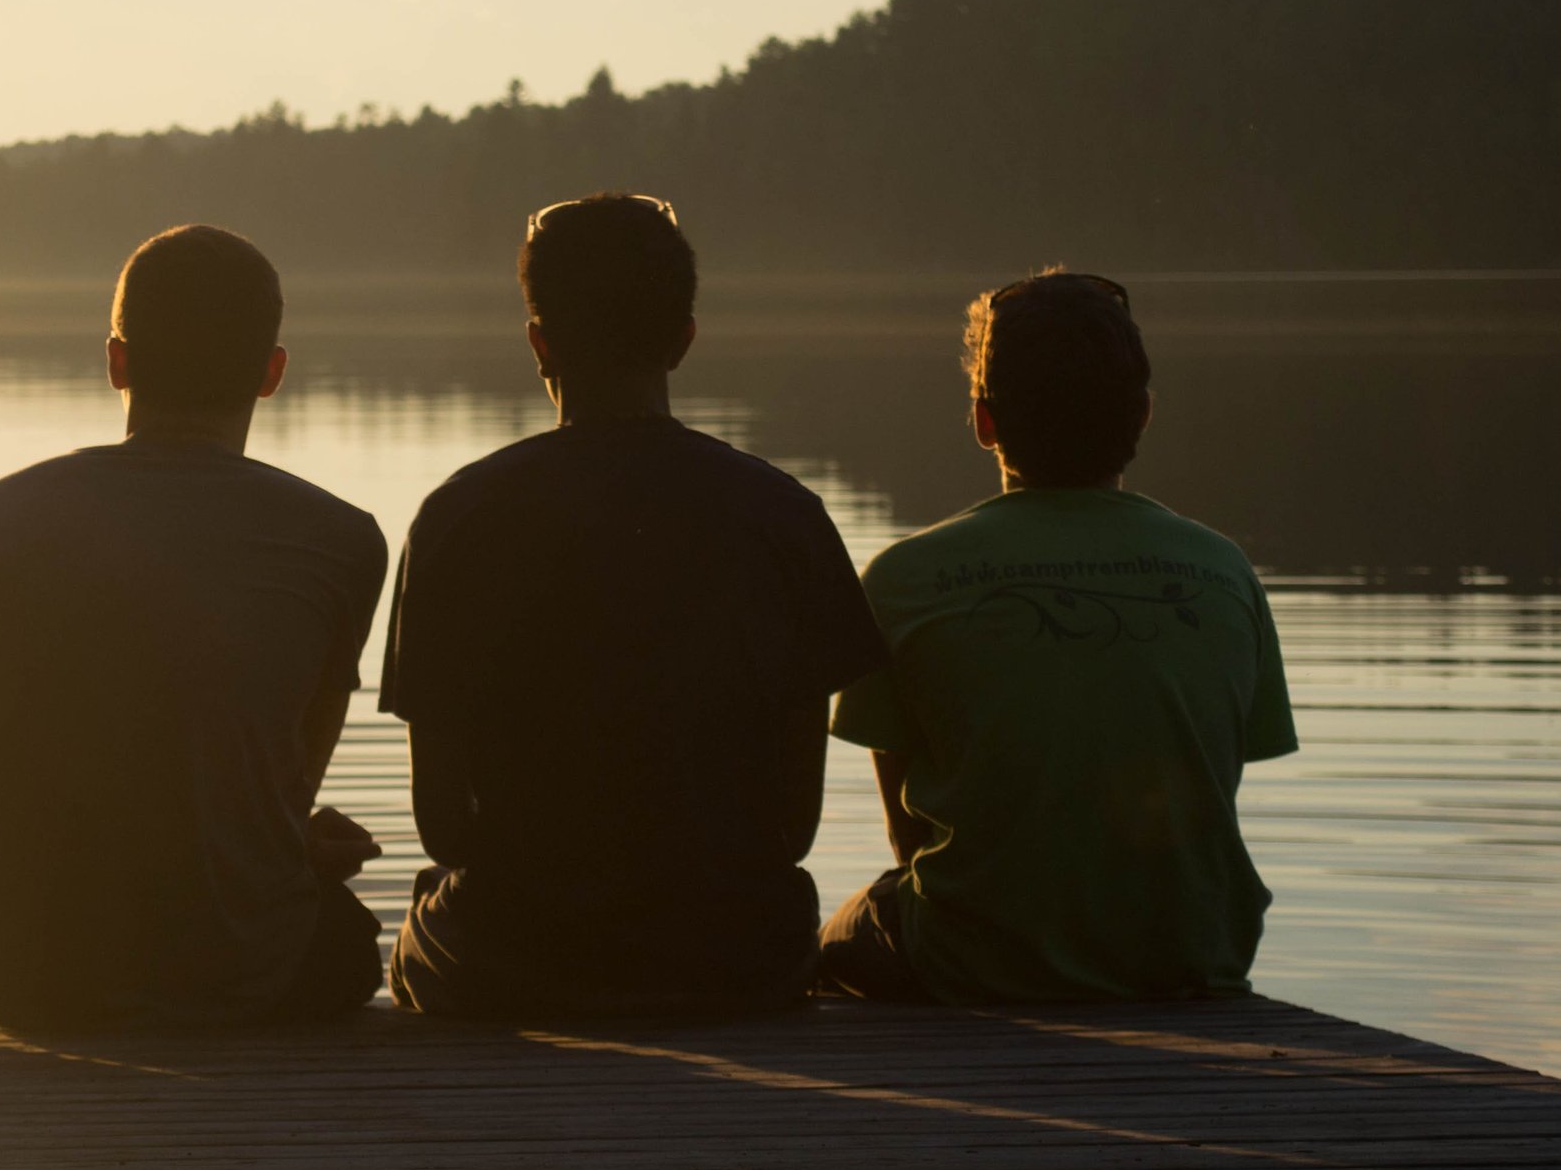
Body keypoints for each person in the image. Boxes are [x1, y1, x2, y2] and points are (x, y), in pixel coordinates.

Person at [382, 194, 887, 1018]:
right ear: (684, 340)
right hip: (735, 959)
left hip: (517, 959)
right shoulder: (784, 513)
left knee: (428, 910)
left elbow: (443, 827)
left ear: (538, 343)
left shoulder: (458, 516)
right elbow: (791, 826)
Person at [0, 225, 388, 1033]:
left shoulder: (3, 516)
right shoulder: (341, 538)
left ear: (115, 360)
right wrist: (276, 843)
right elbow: (291, 786)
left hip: (32, 977)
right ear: (271, 374)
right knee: (349, 941)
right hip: (251, 978)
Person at [818, 270, 1298, 1004]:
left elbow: (909, 834)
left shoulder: (905, 578)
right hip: (1194, 959)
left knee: (838, 935)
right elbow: (1213, 778)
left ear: (984, 420)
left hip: (973, 966)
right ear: (1141, 415)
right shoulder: (1222, 571)